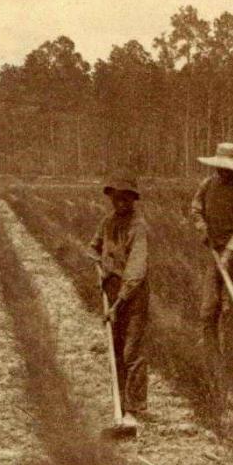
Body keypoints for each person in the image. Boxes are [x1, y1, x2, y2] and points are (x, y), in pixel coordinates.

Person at [190, 142, 233, 418]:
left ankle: (232, 360)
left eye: (229, 169)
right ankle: (210, 356)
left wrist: (228, 254)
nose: (224, 172)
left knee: (230, 309)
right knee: (209, 308)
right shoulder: (207, 185)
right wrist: (201, 227)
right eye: (221, 167)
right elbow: (194, 208)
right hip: (213, 252)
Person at [87, 177, 149, 434]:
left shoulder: (139, 227)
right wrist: (98, 264)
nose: (120, 202)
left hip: (133, 294)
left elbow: (136, 272)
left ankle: (133, 409)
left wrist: (118, 303)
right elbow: (93, 246)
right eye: (116, 198)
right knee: (114, 348)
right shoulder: (108, 221)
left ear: (133, 199)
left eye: (125, 198)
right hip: (111, 289)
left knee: (131, 351)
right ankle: (119, 404)